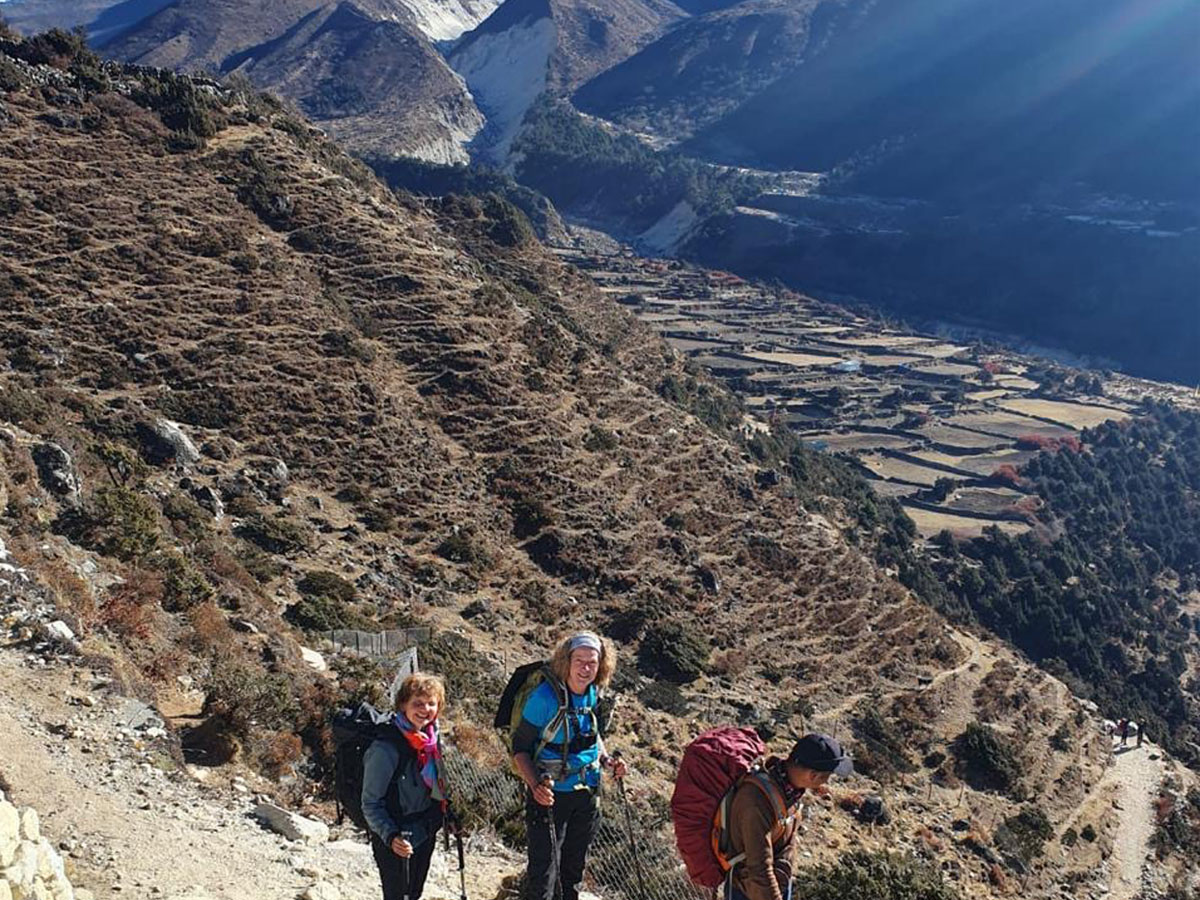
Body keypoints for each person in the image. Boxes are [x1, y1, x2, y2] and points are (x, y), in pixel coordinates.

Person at [512, 632, 626, 900]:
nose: (586, 669)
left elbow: (591, 736)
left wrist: (607, 760)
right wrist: (535, 785)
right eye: (580, 661)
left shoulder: (592, 694)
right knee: (543, 875)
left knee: (573, 872)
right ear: (566, 661)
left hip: (587, 794)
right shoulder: (544, 699)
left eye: (593, 663)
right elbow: (520, 748)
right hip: (551, 797)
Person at [724, 733, 853, 900]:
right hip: (750, 892)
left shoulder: (789, 789)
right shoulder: (756, 801)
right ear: (813, 775)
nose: (826, 783)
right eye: (826, 777)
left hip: (776, 886)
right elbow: (759, 870)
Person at [362, 673, 449, 900]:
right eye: (417, 703)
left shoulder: (431, 740)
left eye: (432, 703)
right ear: (403, 705)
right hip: (395, 834)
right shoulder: (385, 748)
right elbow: (370, 803)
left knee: (414, 893)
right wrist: (391, 837)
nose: (425, 709)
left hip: (424, 829)